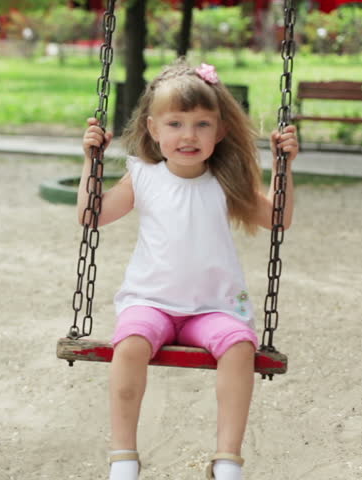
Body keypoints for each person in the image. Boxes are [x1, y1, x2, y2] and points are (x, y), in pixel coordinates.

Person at [78, 59, 299, 480]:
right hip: (151, 302)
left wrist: (283, 166)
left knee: (240, 350)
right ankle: (123, 455)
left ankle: (227, 459)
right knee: (129, 347)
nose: (188, 135)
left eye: (201, 124)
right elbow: (93, 215)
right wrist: (92, 160)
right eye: (175, 123)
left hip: (213, 308)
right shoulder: (142, 177)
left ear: (220, 131)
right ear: (152, 129)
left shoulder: (225, 181)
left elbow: (276, 219)